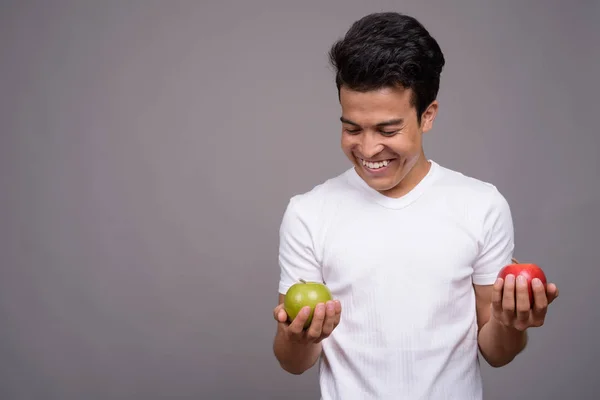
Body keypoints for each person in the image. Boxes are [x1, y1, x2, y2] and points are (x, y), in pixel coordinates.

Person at [272, 11, 559, 400]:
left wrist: (511, 324)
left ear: (427, 116)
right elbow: (293, 361)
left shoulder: (481, 205)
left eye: (388, 130)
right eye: (352, 128)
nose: (369, 149)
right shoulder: (308, 213)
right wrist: (299, 337)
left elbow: (496, 353)